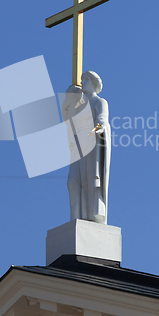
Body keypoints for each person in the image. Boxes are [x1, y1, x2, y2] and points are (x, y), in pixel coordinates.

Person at [63, 71, 111, 224]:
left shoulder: (99, 102)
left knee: (90, 179)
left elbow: (102, 120)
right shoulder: (79, 107)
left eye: (85, 79)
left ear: (94, 83)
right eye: (82, 79)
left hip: (91, 142)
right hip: (78, 144)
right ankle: (76, 216)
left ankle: (93, 213)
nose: (82, 82)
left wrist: (100, 128)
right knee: (73, 181)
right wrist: (69, 99)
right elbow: (67, 119)